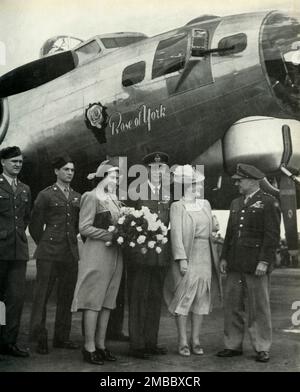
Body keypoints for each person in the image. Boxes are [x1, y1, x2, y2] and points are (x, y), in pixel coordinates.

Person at [217, 163, 281, 363]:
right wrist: (224, 257)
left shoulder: (269, 202)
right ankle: (232, 345)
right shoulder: (236, 203)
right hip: (235, 264)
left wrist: (264, 261)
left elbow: (272, 236)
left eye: (240, 180)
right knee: (232, 306)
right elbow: (230, 234)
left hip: (256, 265)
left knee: (258, 307)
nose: (237, 183)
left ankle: (262, 347)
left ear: (253, 181)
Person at [163, 165, 222, 356]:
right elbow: (176, 235)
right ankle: (182, 341)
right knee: (184, 297)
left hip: (205, 254)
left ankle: (196, 339)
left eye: (199, 184)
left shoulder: (205, 204)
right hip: (188, 255)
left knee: (202, 298)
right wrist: (181, 259)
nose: (199, 188)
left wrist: (214, 225)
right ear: (186, 185)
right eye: (195, 184)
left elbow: (210, 227)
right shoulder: (177, 206)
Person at [71, 158, 123, 365]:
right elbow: (83, 227)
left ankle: (101, 345)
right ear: (102, 177)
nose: (116, 179)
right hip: (97, 253)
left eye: (117, 176)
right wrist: (110, 235)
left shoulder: (114, 199)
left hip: (115, 255)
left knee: (107, 302)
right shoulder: (90, 197)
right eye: (112, 176)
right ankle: (89, 346)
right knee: (93, 301)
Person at [29, 155, 80, 354]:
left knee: (66, 296)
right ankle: (39, 337)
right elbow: (34, 224)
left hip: (69, 253)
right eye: (66, 169)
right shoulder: (46, 195)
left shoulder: (77, 196)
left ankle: (62, 337)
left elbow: (76, 224)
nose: (69, 173)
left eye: (72, 170)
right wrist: (45, 241)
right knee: (42, 295)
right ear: (56, 171)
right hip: (49, 252)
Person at [128, 151, 172, 359]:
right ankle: (137, 344)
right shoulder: (136, 191)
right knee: (139, 298)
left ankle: (150, 342)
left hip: (160, 256)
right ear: (146, 171)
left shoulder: (169, 194)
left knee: (155, 299)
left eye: (161, 168)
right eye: (153, 169)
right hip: (141, 256)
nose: (157, 172)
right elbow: (127, 223)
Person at [0, 146, 31, 358]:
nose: (18, 165)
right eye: (14, 161)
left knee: (16, 298)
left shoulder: (25, 189)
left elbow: (26, 218)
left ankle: (8, 343)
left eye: (20, 161)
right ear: (3, 162)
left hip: (18, 250)